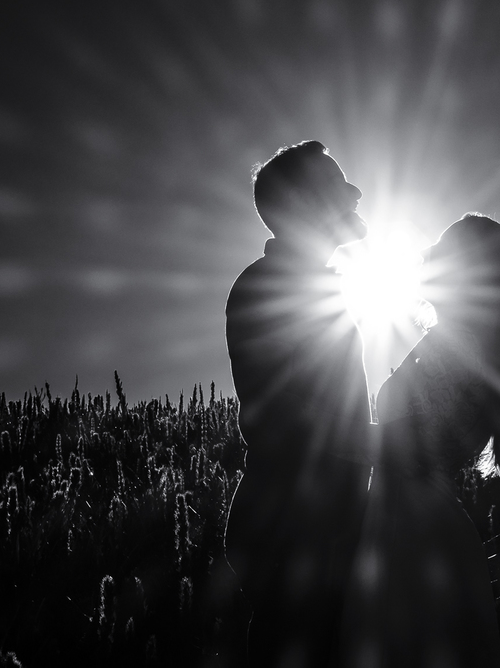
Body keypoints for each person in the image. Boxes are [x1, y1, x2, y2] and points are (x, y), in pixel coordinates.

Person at [340, 213, 500, 668]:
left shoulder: (461, 345)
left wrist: (319, 433)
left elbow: (411, 444)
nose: (427, 253)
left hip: (417, 531)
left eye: (444, 248)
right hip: (416, 522)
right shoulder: (462, 343)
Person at [224, 140, 374, 668]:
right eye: (338, 184)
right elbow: (306, 424)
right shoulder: (273, 291)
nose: (355, 192)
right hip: (300, 532)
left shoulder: (313, 289)